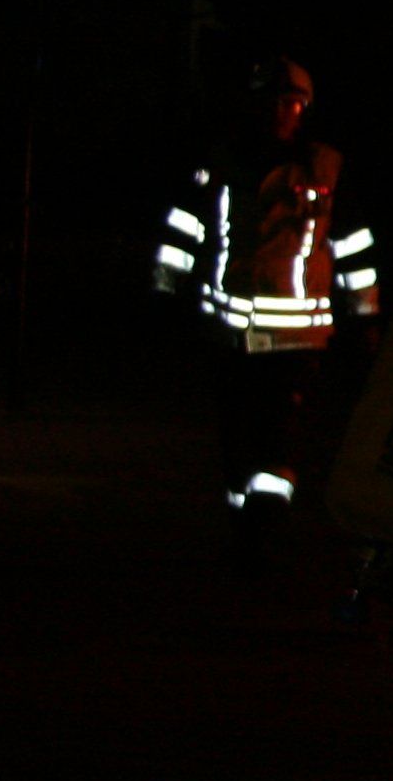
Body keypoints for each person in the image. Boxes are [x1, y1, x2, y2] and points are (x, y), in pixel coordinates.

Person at [152, 55, 376, 563]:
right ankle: (245, 520)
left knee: (280, 438)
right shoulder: (220, 164)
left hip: (297, 341)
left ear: (304, 108)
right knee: (237, 435)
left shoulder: (327, 168)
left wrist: (366, 316)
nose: (279, 111)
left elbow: (353, 247)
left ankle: (265, 526)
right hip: (228, 335)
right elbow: (182, 233)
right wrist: (165, 292)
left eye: (290, 102)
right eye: (271, 102)